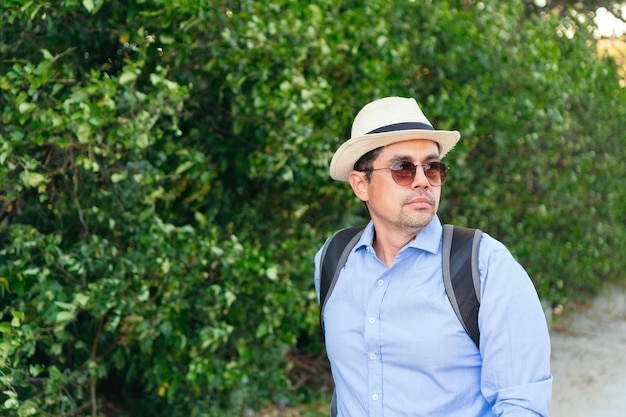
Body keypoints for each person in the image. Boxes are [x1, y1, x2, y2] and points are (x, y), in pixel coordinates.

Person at [314, 96, 552, 417]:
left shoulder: (485, 266)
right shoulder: (334, 259)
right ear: (361, 184)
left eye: (433, 167)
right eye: (402, 168)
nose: (423, 180)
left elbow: (523, 405)